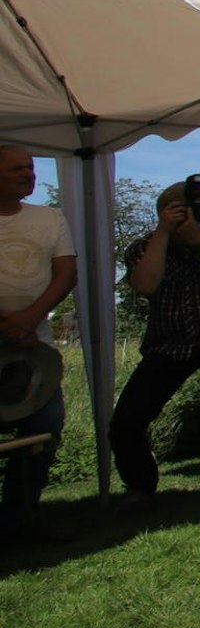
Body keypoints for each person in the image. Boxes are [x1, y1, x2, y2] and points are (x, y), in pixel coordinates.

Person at [110, 179, 200, 506]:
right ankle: (139, 485)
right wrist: (165, 234)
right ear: (167, 213)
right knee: (128, 418)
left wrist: (199, 243)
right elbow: (146, 285)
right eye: (193, 209)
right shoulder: (142, 246)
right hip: (170, 341)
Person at [0, 147, 77, 539]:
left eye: (30, 168)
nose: (27, 174)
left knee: (44, 428)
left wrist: (30, 318)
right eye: (16, 168)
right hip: (11, 336)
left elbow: (66, 272)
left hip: (34, 346)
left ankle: (18, 516)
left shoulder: (49, 217)